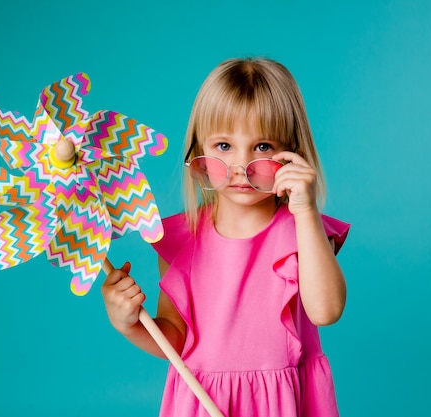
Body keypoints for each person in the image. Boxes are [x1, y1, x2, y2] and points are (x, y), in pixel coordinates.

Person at [101, 57, 350, 417]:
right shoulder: (179, 240)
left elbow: (326, 311)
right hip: (203, 402)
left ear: (291, 152)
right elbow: (176, 339)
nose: (239, 165)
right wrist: (127, 323)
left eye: (262, 147)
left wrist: (307, 212)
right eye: (223, 146)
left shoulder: (303, 232)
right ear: (199, 147)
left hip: (282, 405)